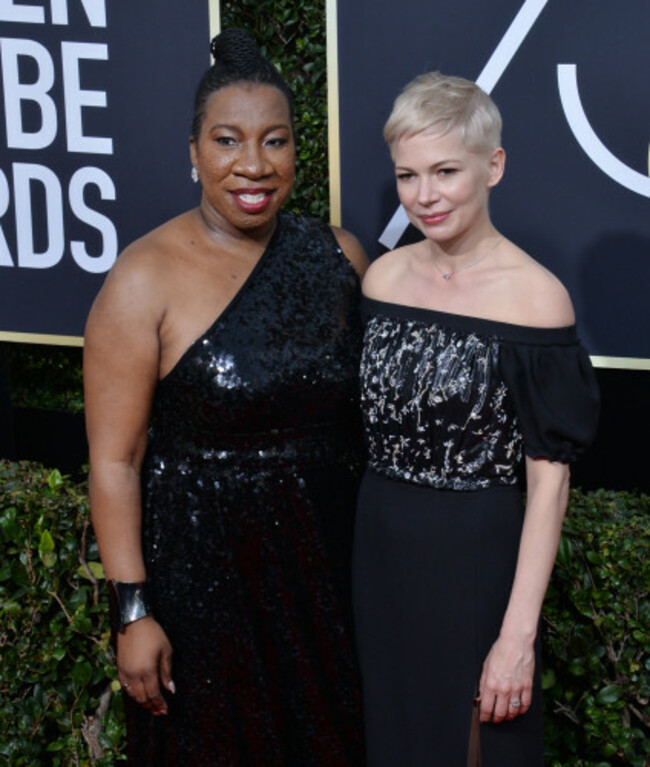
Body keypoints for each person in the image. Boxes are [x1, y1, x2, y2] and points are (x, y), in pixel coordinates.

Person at [84, 28, 367, 765]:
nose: (253, 164)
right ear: (193, 152)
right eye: (227, 140)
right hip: (201, 593)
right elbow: (115, 461)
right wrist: (133, 609)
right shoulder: (142, 276)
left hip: (328, 583)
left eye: (274, 141)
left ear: (297, 152)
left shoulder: (341, 255)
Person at [352, 72, 599, 766]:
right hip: (380, 559)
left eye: (445, 171)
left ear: (493, 165)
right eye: (407, 175)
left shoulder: (537, 299)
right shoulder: (382, 280)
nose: (424, 195)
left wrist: (516, 636)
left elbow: (549, 486)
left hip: (477, 564)